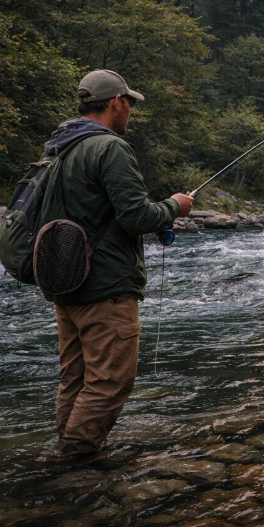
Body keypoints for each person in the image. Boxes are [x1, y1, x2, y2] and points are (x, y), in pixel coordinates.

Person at [40, 69, 194, 456]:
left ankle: (68, 453)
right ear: (115, 103)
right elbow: (136, 217)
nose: (130, 112)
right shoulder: (110, 148)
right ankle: (74, 463)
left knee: (74, 379)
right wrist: (175, 206)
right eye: (129, 104)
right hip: (106, 286)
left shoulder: (59, 148)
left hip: (66, 281)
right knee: (109, 382)